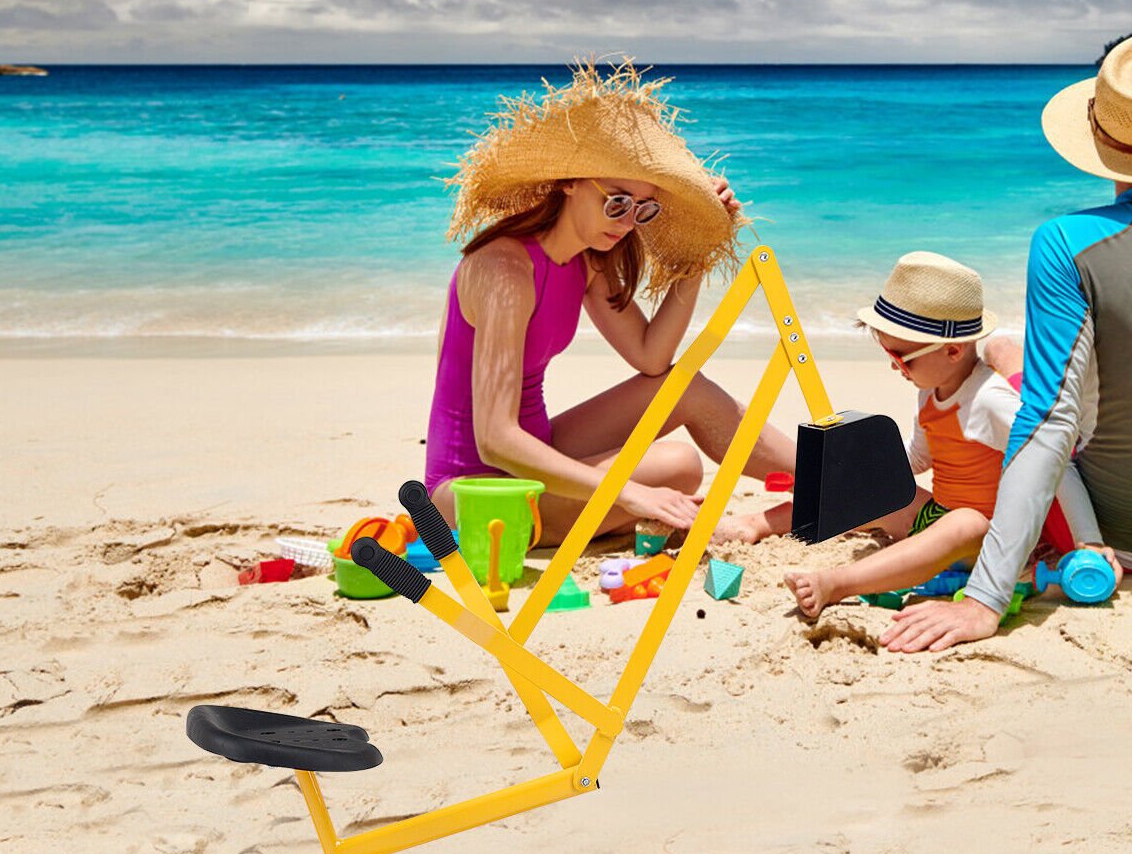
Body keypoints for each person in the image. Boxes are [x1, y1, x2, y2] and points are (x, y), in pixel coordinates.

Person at [424, 61, 795, 547]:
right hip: (474, 493)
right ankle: (630, 512)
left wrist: (703, 247)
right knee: (676, 468)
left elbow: (651, 358)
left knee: (684, 389)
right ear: (570, 181)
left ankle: (831, 478)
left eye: (642, 209)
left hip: (535, 453)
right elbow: (494, 438)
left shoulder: (586, 263)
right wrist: (628, 493)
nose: (626, 222)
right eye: (616, 202)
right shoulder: (505, 272)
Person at [881, 37, 1132, 653]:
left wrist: (986, 597)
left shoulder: (1067, 244)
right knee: (1003, 350)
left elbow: (1050, 419)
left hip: (1113, 532)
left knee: (1008, 360)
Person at [783, 252, 1098, 619]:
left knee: (965, 521)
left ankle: (836, 583)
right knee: (867, 489)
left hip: (988, 537)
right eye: (888, 353)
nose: (893, 365)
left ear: (951, 350)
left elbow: (1055, 461)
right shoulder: (929, 390)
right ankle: (769, 523)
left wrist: (1087, 542)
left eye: (902, 358)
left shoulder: (990, 401)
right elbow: (919, 458)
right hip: (940, 515)